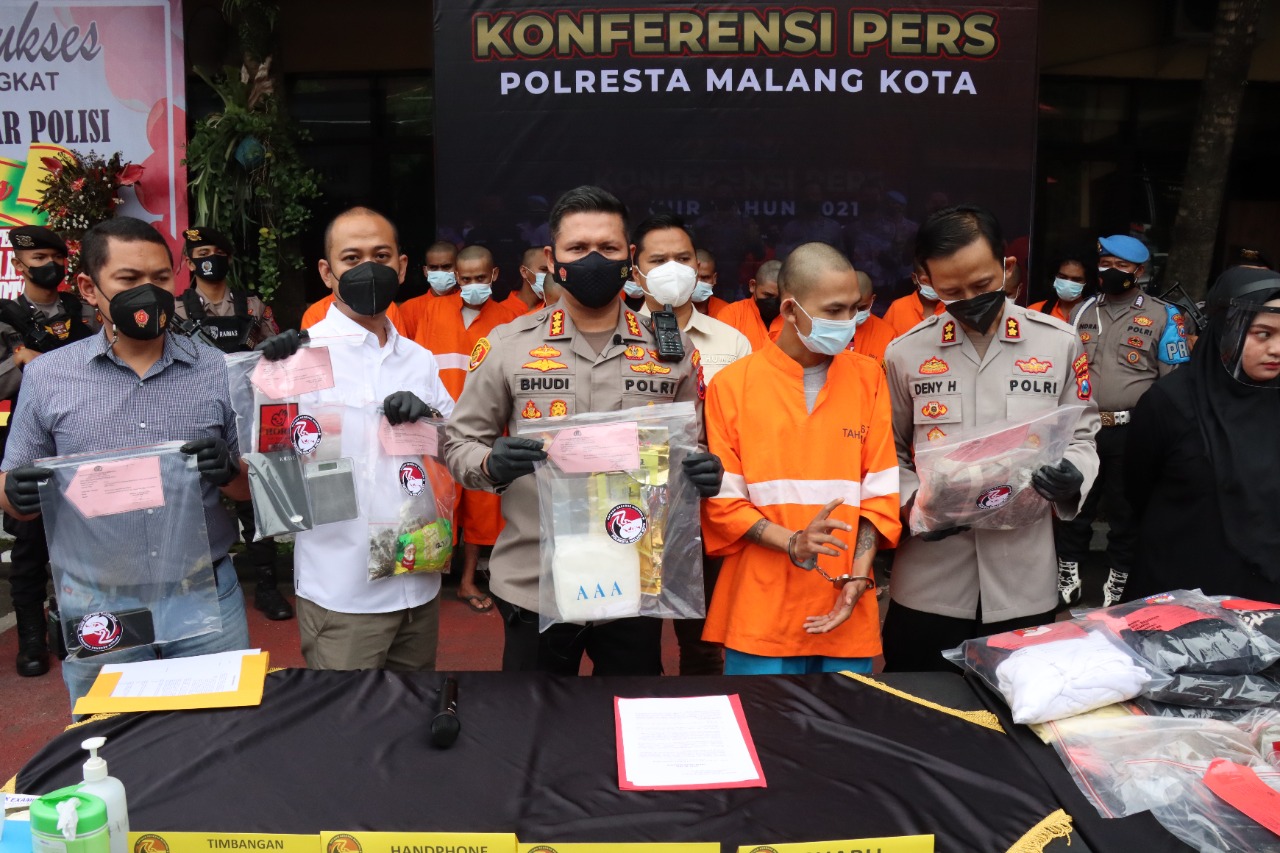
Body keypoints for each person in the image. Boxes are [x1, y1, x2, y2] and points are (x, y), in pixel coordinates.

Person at [443, 185, 723, 675]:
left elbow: (691, 447)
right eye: (577, 248)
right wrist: (490, 463)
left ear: (629, 257)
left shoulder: (670, 351)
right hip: (537, 580)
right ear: (552, 259)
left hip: (634, 577)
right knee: (534, 714)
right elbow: (458, 443)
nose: (594, 259)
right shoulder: (509, 345)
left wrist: (705, 471)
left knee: (628, 708)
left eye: (608, 248)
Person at [0, 216, 252, 710]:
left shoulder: (216, 370)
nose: (149, 292)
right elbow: (12, 487)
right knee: (110, 737)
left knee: (218, 734)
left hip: (204, 595)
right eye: (129, 279)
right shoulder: (48, 376)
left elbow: (250, 488)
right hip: (98, 606)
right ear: (88, 288)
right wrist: (15, 493)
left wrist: (230, 472)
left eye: (160, 278)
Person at [880, 204, 1100, 672]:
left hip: (1023, 578)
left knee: (1019, 704)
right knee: (919, 700)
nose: (969, 299)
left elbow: (1082, 434)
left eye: (981, 285)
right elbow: (887, 451)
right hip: (930, 578)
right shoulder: (905, 353)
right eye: (951, 291)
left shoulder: (1058, 343)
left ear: (1007, 267)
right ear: (927, 281)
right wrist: (914, 503)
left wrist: (1073, 476)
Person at [256, 207, 456, 671]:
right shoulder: (296, 360)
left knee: (414, 706)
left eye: (381, 256)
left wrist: (428, 420)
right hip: (343, 591)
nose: (368, 268)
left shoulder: (419, 359)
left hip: (419, 576)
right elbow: (272, 474)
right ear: (327, 272)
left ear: (401, 267)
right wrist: (269, 382)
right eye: (352, 258)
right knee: (347, 713)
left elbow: (454, 447)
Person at [702, 243, 900, 675]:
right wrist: (793, 542)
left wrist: (859, 577)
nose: (848, 322)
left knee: (845, 719)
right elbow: (724, 503)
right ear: (790, 310)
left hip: (844, 602)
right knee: (760, 718)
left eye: (854, 309)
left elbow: (881, 493)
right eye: (834, 310)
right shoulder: (731, 386)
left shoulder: (869, 378)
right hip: (760, 607)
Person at [630, 213, 750, 675]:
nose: (672, 269)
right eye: (658, 260)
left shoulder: (732, 342)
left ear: (698, 266)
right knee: (633, 639)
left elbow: (748, 428)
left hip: (707, 509)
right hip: (633, 506)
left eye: (682, 258)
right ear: (636, 269)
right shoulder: (618, 338)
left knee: (703, 643)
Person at [1123, 267, 1280, 603]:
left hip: (1265, 596)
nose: (1277, 349)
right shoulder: (1170, 402)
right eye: (1263, 334)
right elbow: (1137, 489)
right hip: (1180, 589)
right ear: (1225, 328)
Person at [1057, 235, 1189, 607]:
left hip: (1132, 430)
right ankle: (1068, 573)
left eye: (1122, 266)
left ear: (1140, 271)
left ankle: (1119, 579)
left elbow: (1175, 382)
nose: (1112, 271)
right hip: (1083, 428)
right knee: (1075, 503)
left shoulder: (1165, 316)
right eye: (1106, 263)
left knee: (1125, 509)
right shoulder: (1081, 311)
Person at [174, 226, 292, 621]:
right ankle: (195, 586)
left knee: (254, 502)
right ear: (189, 262)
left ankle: (267, 587)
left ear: (227, 258)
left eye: (216, 252)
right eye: (200, 253)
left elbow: (277, 356)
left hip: (246, 415)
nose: (209, 259)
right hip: (195, 415)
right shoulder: (175, 310)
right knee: (193, 502)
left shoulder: (253, 306)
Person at [0, 225, 97, 677]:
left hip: (85, 437)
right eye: (38, 258)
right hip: (29, 440)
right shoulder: (6, 317)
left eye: (55, 258)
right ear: (19, 264)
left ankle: (87, 626)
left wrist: (33, 360)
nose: (49, 266)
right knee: (30, 543)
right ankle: (32, 637)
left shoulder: (84, 311)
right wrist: (17, 362)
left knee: (91, 531)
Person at [411, 245, 522, 614]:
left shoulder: (511, 318)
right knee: (435, 504)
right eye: (466, 278)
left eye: (481, 277)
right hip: (436, 425)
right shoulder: (430, 311)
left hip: (485, 431)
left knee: (480, 508)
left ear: (494, 275)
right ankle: (426, 579)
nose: (473, 284)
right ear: (456, 277)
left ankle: (467, 581)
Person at [717, 259, 783, 351]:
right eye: (768, 295)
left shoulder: (794, 319)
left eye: (780, 297)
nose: (774, 302)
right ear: (752, 285)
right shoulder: (731, 315)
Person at [1029, 250, 1096, 324]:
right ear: (1054, 277)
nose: (1068, 284)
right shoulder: (1035, 311)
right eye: (1063, 277)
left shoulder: (1096, 315)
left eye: (1076, 280)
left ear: (1087, 282)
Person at [882, 265, 945, 337]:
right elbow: (884, 339)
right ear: (914, 278)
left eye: (938, 279)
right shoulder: (898, 307)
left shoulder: (952, 305)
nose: (933, 285)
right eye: (926, 280)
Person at [850, 270, 896, 363]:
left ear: (872, 299)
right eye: (851, 307)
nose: (855, 313)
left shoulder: (886, 334)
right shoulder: (827, 328)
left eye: (861, 307)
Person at [503, 246, 549, 314]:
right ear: (524, 272)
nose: (550, 276)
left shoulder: (556, 307)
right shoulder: (502, 310)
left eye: (553, 271)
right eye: (544, 270)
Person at [693, 249, 730, 318]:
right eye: (694, 277)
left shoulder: (726, 311)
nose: (698, 283)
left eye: (705, 277)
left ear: (714, 279)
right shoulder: (674, 309)